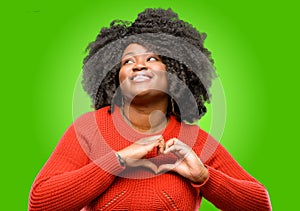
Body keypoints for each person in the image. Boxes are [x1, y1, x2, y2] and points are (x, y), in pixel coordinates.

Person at [29, 8, 272, 210]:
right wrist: (120, 159)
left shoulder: (194, 141)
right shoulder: (88, 129)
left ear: (175, 73)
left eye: (152, 59)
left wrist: (204, 178)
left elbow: (261, 204)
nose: (138, 66)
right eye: (128, 61)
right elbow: (40, 202)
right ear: (116, 78)